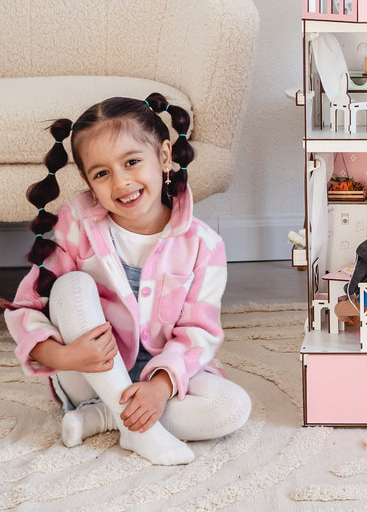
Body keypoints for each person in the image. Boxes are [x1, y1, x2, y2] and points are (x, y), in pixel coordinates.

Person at [2, 94, 251, 466]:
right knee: (71, 286)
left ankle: (108, 417)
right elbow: (28, 308)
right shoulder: (77, 225)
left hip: (161, 375)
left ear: (164, 156)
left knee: (232, 408)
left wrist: (160, 387)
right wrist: (65, 355)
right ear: (89, 182)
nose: (121, 182)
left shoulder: (204, 244)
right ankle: (139, 429)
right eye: (102, 173)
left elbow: (200, 332)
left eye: (132, 162)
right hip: (85, 373)